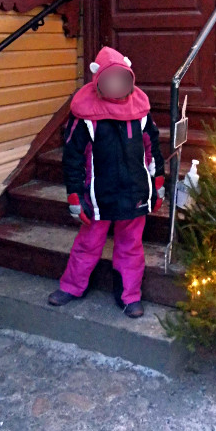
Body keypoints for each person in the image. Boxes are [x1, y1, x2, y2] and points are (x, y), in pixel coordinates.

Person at [47, 47, 165, 318]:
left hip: (135, 191)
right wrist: (75, 196)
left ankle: (129, 295)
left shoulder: (141, 112)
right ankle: (73, 286)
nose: (115, 86)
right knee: (88, 244)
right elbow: (73, 159)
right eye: (109, 80)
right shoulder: (85, 116)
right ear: (98, 81)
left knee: (131, 246)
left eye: (121, 79)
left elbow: (153, 151)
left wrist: (157, 184)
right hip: (97, 196)